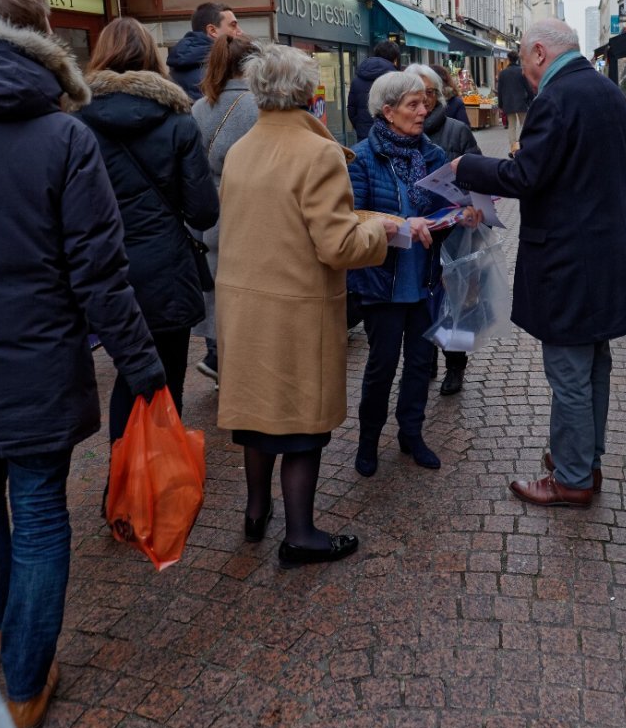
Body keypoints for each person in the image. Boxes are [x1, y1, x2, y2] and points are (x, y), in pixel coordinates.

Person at [0, 0, 164, 728]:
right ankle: (24, 683)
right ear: (47, 41)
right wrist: (146, 369)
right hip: (34, 365)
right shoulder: (64, 137)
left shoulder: (72, 136)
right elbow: (100, 274)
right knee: (37, 515)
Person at [215, 45, 398, 565]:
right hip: (295, 309)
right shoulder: (318, 153)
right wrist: (380, 231)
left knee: (256, 417)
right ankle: (301, 534)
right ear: (310, 94)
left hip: (246, 306)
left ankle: (256, 513)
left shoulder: (241, 149)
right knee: (300, 429)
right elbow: (336, 246)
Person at [452, 19, 626, 507]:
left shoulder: (555, 99)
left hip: (567, 257)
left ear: (539, 52)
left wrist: (465, 167)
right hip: (604, 249)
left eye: (521, 57)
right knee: (593, 361)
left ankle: (572, 478)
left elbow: (524, 176)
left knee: (569, 371)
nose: (523, 68)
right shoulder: (606, 90)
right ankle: (583, 459)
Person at [78, 19, 219, 447]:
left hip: (101, 266)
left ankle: (123, 481)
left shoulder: (74, 121)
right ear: (150, 57)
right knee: (167, 375)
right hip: (165, 267)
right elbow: (203, 210)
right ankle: (158, 482)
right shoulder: (177, 120)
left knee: (127, 371)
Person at [348, 72, 481, 477]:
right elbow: (354, 218)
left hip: (425, 280)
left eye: (425, 102)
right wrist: (405, 224)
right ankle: (368, 440)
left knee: (420, 364)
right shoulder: (362, 159)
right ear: (387, 112)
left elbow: (447, 211)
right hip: (382, 283)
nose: (424, 111)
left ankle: (412, 433)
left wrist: (467, 214)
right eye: (413, 105)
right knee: (382, 365)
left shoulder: (434, 155)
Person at [405, 63, 481, 396]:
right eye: (416, 96)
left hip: (455, 234)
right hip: (418, 235)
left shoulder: (456, 131)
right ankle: (428, 358)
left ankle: (456, 365)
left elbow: (479, 175)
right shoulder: (401, 135)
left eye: (430, 94)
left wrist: (470, 203)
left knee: (457, 302)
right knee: (422, 302)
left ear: (438, 95)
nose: (424, 103)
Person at [191, 35, 261, 383]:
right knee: (251, 295)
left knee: (215, 289)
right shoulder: (261, 106)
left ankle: (218, 357)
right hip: (251, 213)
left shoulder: (199, 108)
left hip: (209, 213)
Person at [167, 2, 241, 102]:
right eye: (233, 25)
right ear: (212, 30)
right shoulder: (214, 72)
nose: (240, 31)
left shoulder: (179, 65)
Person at [347, 40, 400, 140]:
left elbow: (351, 110)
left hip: (364, 135)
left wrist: (360, 126)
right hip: (390, 134)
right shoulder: (396, 79)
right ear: (394, 58)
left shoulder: (357, 79)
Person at [496, 49, 532, 153]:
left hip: (508, 103)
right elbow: (528, 87)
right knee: (524, 124)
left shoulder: (503, 73)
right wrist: (531, 99)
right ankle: (523, 145)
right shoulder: (521, 71)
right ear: (517, 59)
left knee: (511, 126)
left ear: (508, 59)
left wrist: (500, 104)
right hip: (521, 102)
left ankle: (513, 148)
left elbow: (500, 90)